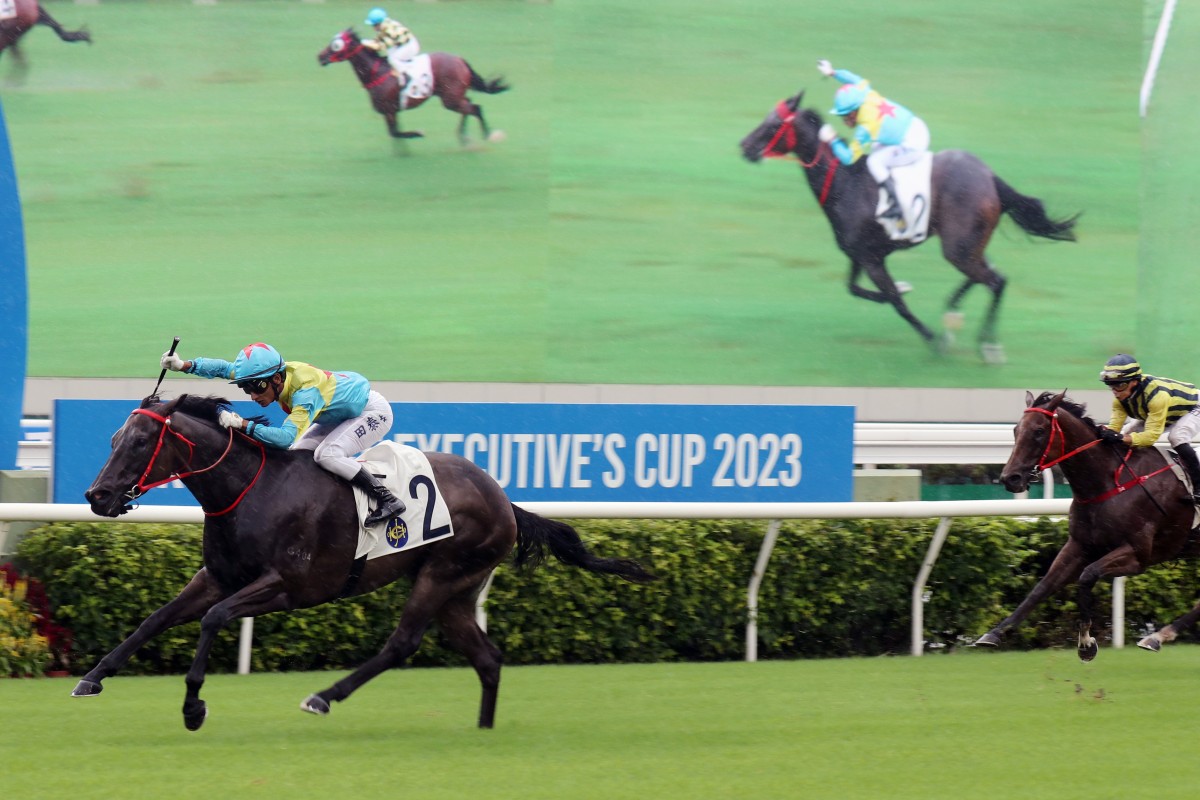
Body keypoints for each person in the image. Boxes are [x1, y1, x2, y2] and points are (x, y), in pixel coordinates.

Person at [160, 342, 406, 527]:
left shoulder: (306, 392)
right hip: (340, 414)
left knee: (327, 455)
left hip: (371, 412)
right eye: (246, 388)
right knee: (299, 456)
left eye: (256, 388)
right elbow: (225, 369)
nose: (253, 395)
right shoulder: (268, 375)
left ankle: (387, 499)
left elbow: (284, 437)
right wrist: (183, 365)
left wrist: (242, 424)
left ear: (277, 379)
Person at [815, 59, 930, 221]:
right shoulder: (865, 92)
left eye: (845, 116)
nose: (844, 120)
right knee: (876, 147)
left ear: (854, 112)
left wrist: (833, 139)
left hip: (913, 143)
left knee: (874, 162)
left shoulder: (867, 127)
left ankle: (897, 206)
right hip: (915, 125)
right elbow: (852, 78)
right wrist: (833, 72)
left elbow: (848, 158)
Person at [1099, 353, 1200, 503]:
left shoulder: (1157, 396)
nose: (1115, 391)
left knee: (1177, 437)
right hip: (1167, 412)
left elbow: (1151, 437)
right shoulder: (1120, 400)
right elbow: (1114, 429)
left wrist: (1120, 438)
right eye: (1111, 385)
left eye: (1120, 385)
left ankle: (1199, 487)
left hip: (1193, 406)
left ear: (1134, 381)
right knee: (1126, 433)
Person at [362, 7, 421, 89]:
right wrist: (367, 42)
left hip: (410, 46)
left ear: (379, 23)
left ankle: (406, 77)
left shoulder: (389, 30)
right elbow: (378, 39)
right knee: (390, 53)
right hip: (402, 44)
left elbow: (380, 46)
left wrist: (365, 43)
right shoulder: (385, 25)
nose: (373, 27)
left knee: (393, 58)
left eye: (374, 25)